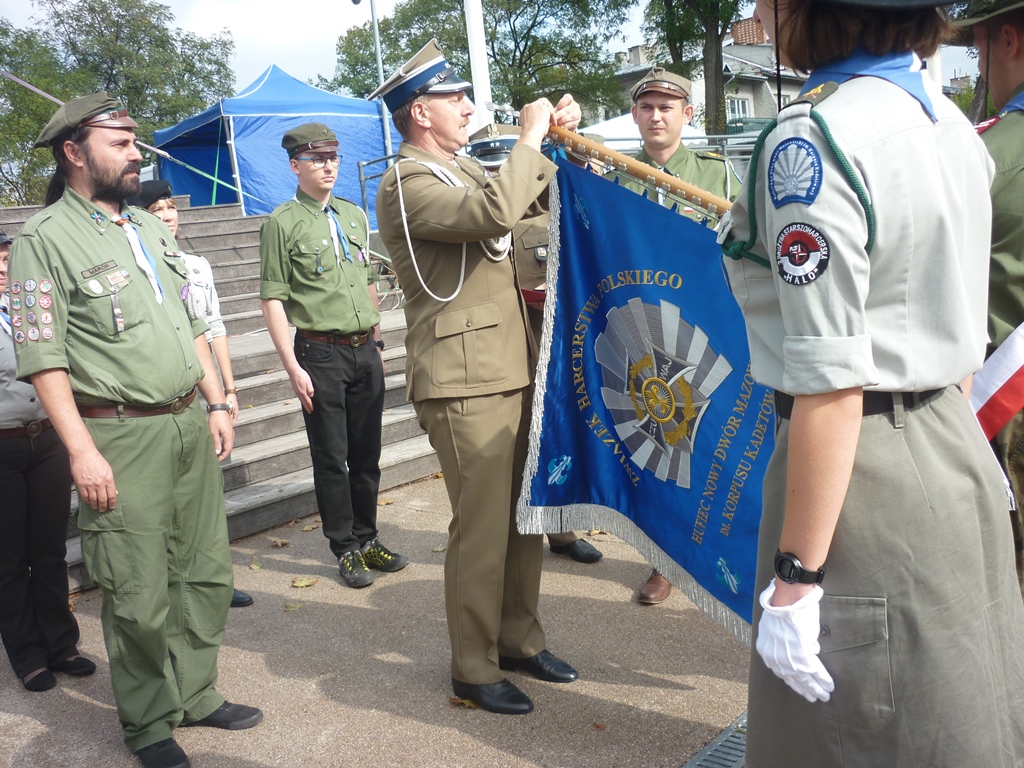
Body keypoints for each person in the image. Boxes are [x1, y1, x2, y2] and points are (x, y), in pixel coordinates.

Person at [717, 1, 1024, 765]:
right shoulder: (948, 122)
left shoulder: (813, 136)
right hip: (951, 436)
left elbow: (830, 381)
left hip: (863, 476)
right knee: (959, 708)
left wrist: (797, 576)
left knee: (859, 735)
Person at [11, 92, 262, 768]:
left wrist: (216, 402)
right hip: (120, 437)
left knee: (204, 572)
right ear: (73, 151)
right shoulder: (44, 240)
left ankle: (197, 691)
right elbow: (44, 358)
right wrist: (82, 452)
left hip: (187, 423)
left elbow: (188, 325)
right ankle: (150, 722)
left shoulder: (148, 229)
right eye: (119, 142)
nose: (134, 153)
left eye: (134, 139)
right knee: (138, 590)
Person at [372, 39, 581, 715]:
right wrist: (526, 135)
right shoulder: (408, 182)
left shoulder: (458, 170)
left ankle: (518, 637)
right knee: (481, 528)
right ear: (418, 113)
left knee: (522, 520)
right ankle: (472, 664)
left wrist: (559, 141)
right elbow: (493, 215)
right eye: (453, 99)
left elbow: (526, 200)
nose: (467, 108)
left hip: (506, 366)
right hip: (462, 381)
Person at [259, 123, 406, 589]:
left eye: (334, 158)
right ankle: (344, 546)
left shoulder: (353, 215)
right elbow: (274, 299)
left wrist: (378, 342)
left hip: (364, 349)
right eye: (317, 159)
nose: (328, 166)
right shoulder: (282, 223)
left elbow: (367, 281)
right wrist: (292, 366)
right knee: (332, 457)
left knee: (367, 454)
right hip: (319, 353)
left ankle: (368, 537)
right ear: (295, 166)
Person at [617, 68, 741, 605]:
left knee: (716, 441)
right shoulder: (617, 176)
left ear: (688, 115)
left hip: (708, 333)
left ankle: (721, 551)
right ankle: (663, 558)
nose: (656, 115)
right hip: (649, 336)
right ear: (635, 114)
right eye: (647, 106)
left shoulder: (717, 175)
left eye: (668, 106)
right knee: (659, 446)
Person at [465, 123, 603, 566]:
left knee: (553, 433)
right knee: (509, 446)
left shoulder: (543, 205)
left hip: (546, 341)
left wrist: (573, 148)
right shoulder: (473, 214)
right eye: (489, 169)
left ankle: (561, 531)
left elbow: (579, 191)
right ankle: (511, 530)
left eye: (503, 167)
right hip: (497, 350)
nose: (497, 177)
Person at [128, 179, 253, 608]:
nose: (167, 217)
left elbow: (212, 326)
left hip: (204, 387)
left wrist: (227, 389)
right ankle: (172, 583)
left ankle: (213, 577)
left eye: (170, 208)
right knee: (169, 497)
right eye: (156, 210)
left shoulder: (196, 265)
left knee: (206, 492)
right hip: (162, 389)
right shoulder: (135, 263)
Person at [0, 229, 96, 693]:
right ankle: (28, 654)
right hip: (4, 446)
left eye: (6, 259)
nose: (3, 268)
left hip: (50, 441)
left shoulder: (37, 309)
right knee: (10, 557)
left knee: (50, 549)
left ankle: (62, 644)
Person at [954, 0, 1024, 598]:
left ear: (1008, 41)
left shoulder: (982, 153)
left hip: (1005, 404)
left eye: (978, 50)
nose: (983, 68)